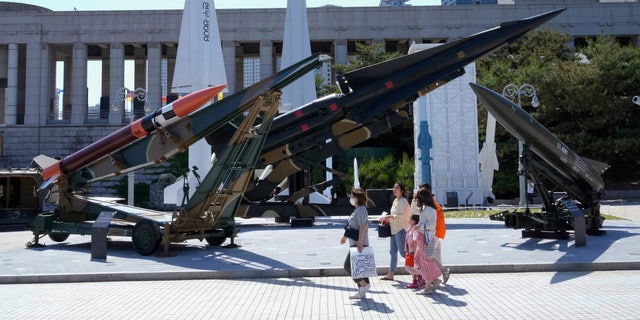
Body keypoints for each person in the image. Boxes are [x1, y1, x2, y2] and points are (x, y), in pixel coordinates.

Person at [340, 187, 371, 299]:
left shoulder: (361, 210)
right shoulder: (357, 209)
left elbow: (363, 226)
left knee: (348, 266)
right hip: (355, 242)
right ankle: (361, 291)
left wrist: (360, 242)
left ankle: (364, 284)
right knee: (360, 268)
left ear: (357, 198)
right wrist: (345, 237)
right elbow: (352, 226)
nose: (351, 198)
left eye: (352, 197)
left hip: (359, 243)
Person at [412, 187, 443, 295]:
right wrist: (413, 199)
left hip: (427, 236)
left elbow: (431, 225)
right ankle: (434, 279)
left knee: (423, 260)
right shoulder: (426, 208)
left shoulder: (429, 209)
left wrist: (419, 226)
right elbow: (414, 210)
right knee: (421, 259)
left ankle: (429, 285)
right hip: (425, 236)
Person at [379, 181, 411, 281]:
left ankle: (419, 270)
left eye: (397, 188)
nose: (394, 190)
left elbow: (404, 216)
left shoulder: (403, 201)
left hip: (400, 229)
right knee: (393, 251)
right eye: (394, 188)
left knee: (403, 252)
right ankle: (391, 273)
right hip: (393, 229)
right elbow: (394, 215)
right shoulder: (396, 201)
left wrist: (391, 217)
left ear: (402, 190)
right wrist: (387, 219)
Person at [420, 183, 450, 284]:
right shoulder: (430, 204)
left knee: (429, 257)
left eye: (422, 191)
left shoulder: (432, 206)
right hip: (433, 235)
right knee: (432, 256)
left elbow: (433, 223)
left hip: (433, 235)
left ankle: (439, 275)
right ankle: (435, 277)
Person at [404, 214, 424, 289]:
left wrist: (415, 252)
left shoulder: (415, 230)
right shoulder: (410, 228)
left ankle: (422, 277)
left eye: (410, 218)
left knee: (409, 267)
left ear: (414, 221)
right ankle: (415, 281)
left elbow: (415, 241)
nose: (408, 219)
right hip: (409, 250)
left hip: (412, 251)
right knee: (412, 266)